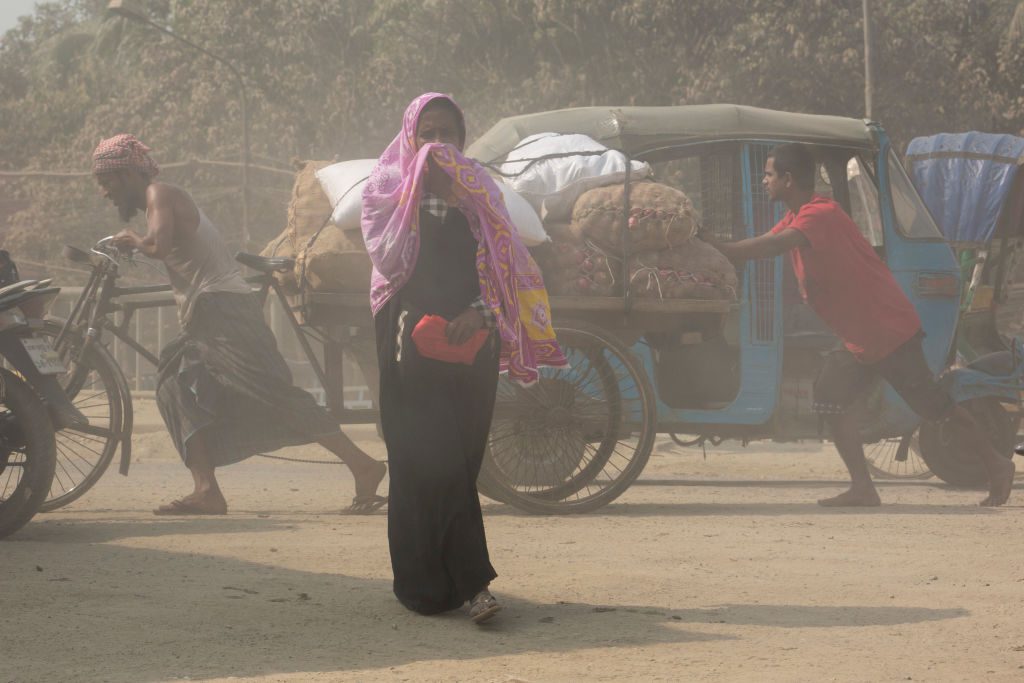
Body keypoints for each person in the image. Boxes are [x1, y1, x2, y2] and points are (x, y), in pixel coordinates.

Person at [702, 142, 1015, 507]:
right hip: (860, 336)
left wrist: (717, 248)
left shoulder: (819, 214)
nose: (764, 180)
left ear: (788, 179)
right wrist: (720, 247)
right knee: (831, 397)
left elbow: (769, 248)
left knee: (934, 406)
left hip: (886, 330)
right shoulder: (798, 213)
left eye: (769, 174)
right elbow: (766, 241)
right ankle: (864, 488)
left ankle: (997, 464)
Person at [91, 134, 387, 515]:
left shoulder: (159, 194)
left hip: (224, 310)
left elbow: (158, 248)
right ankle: (206, 489)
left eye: (108, 181)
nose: (104, 192)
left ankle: (363, 465)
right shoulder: (157, 200)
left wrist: (132, 239)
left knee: (272, 392)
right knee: (170, 383)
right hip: (205, 313)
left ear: (130, 173)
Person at [361, 93, 566, 624]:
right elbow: (389, 264)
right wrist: (425, 193)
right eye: (427, 132)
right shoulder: (388, 192)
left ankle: (440, 585)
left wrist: (478, 312)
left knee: (460, 462)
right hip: (414, 349)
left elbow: (502, 269)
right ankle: (462, 585)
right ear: (411, 136)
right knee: (427, 462)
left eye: (448, 132)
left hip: (474, 345)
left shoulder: (481, 196)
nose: (438, 142)